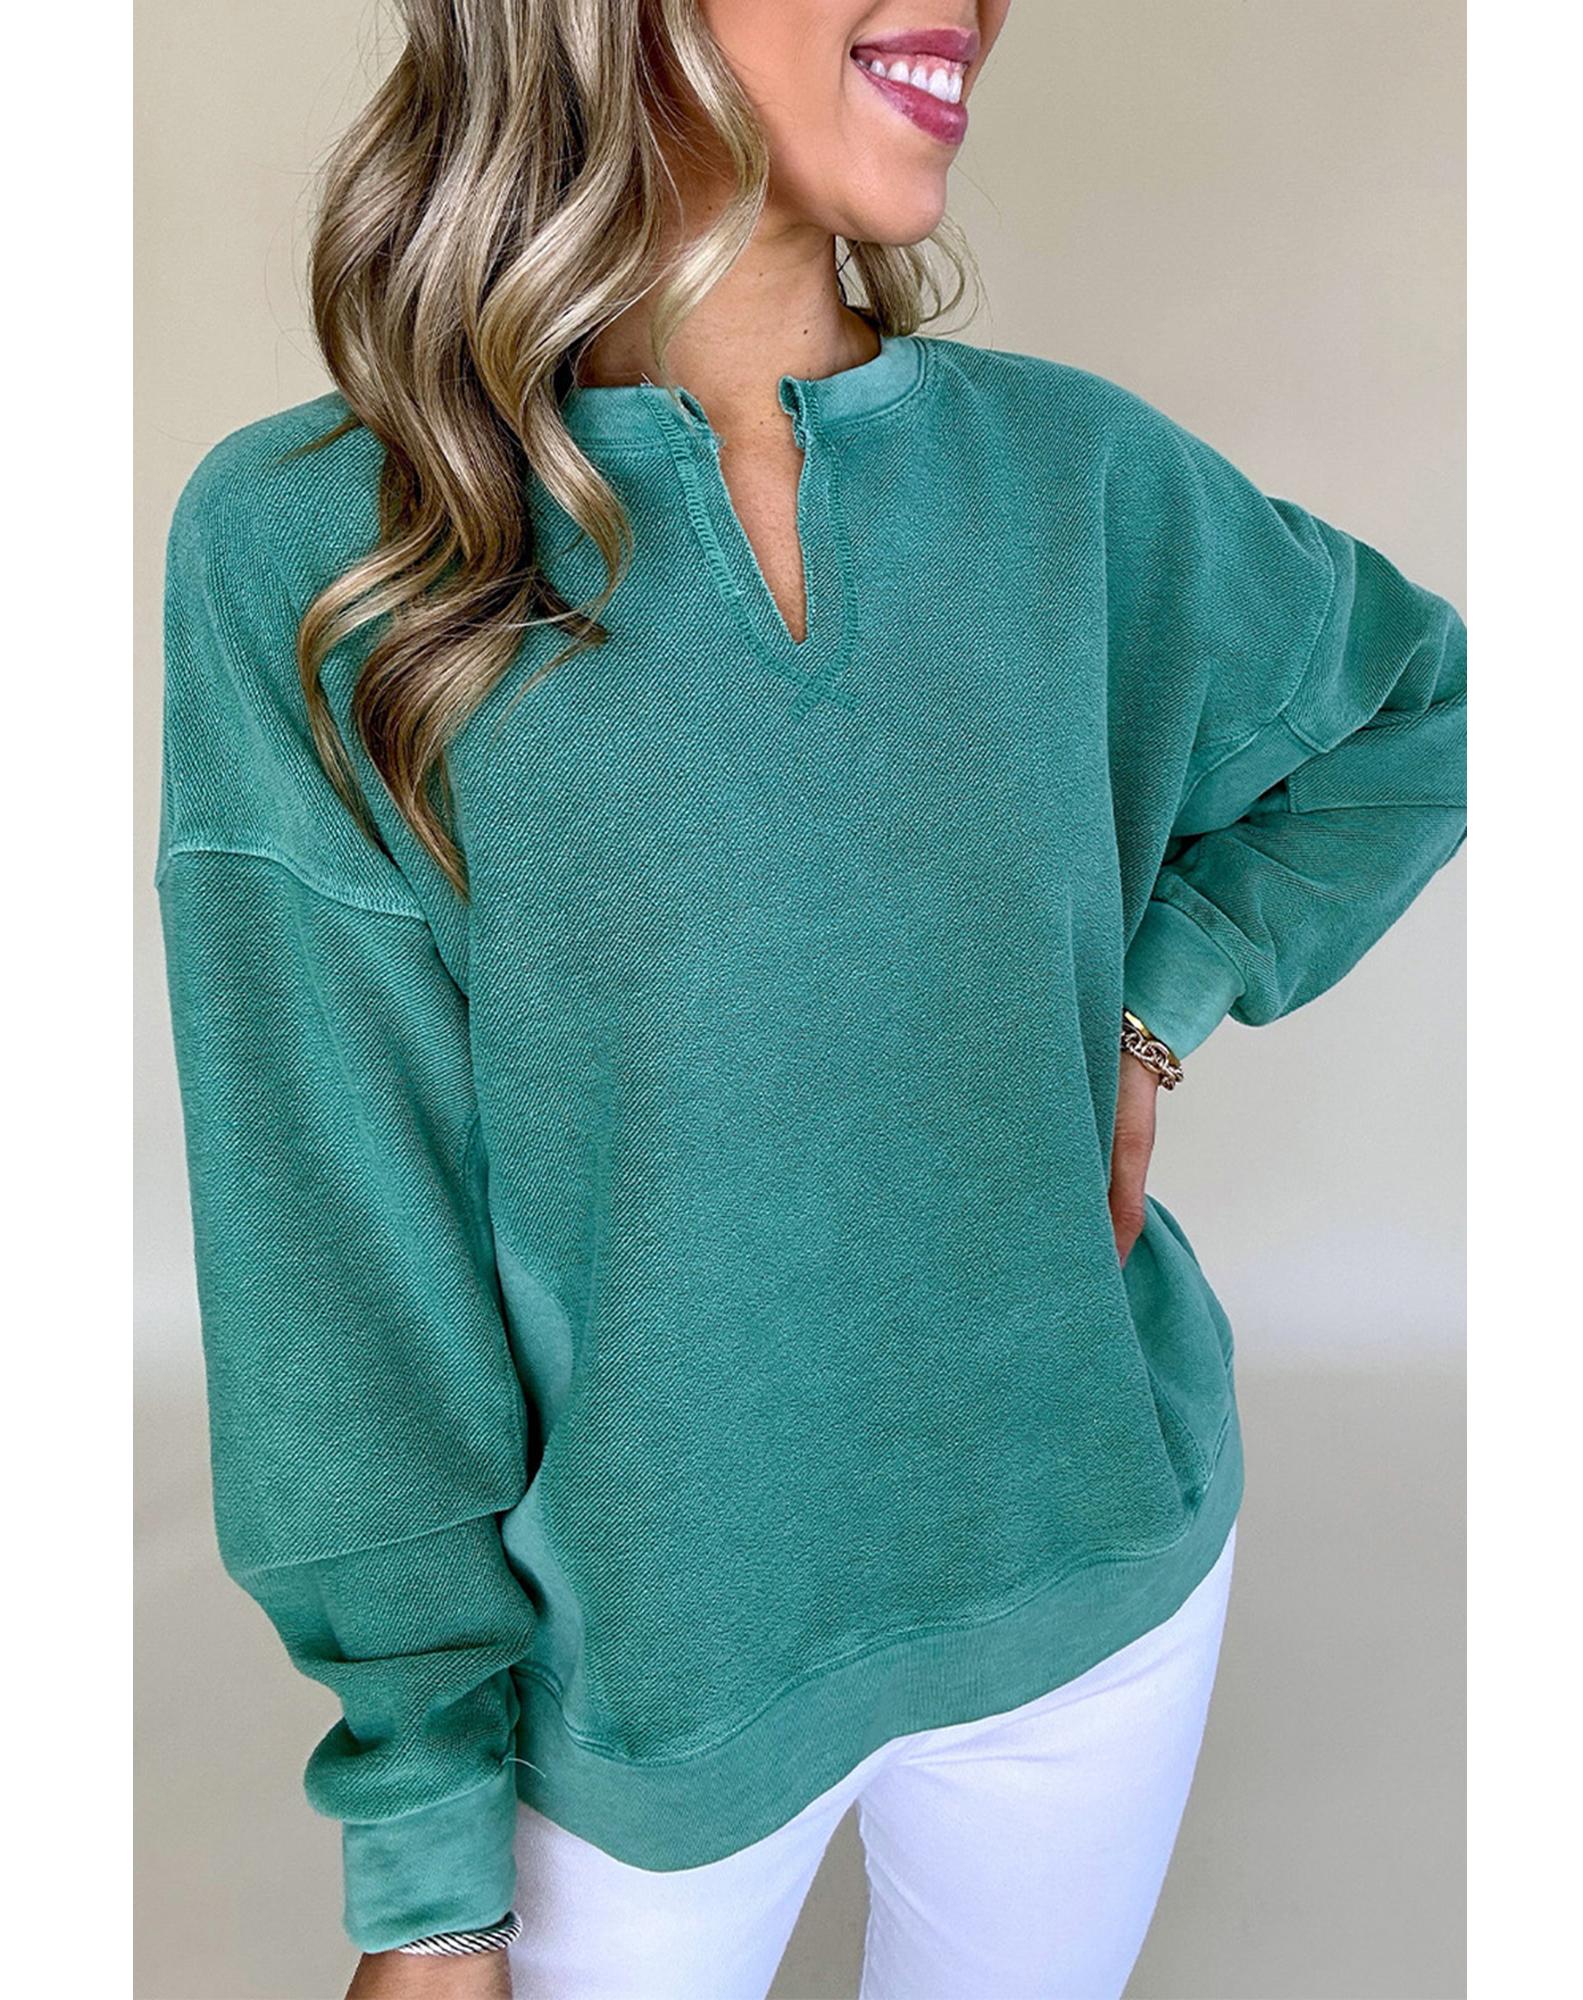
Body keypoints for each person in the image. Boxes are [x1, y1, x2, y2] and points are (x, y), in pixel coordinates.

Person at [152, 4, 1467, 1996]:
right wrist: (429, 1861)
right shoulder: (330, 554)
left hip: (1092, 1579)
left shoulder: (1074, 474)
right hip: (637, 1688)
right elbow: (336, 1264)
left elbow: (1412, 710)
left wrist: (1153, 1006)